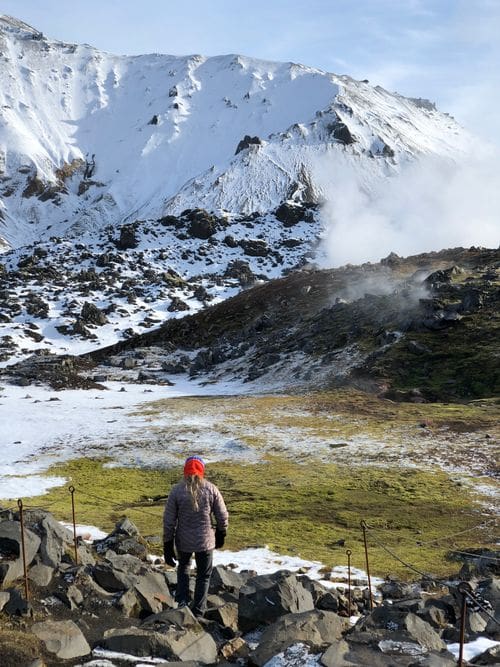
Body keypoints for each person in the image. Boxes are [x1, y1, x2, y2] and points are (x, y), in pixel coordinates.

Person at [163, 456, 228, 616]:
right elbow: (222, 515)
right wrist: (221, 533)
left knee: (183, 568)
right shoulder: (211, 489)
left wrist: (167, 544)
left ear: (185, 471)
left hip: (183, 540)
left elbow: (169, 520)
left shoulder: (177, 491)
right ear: (201, 471)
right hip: (205, 541)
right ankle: (199, 610)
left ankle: (182, 603)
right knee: (203, 575)